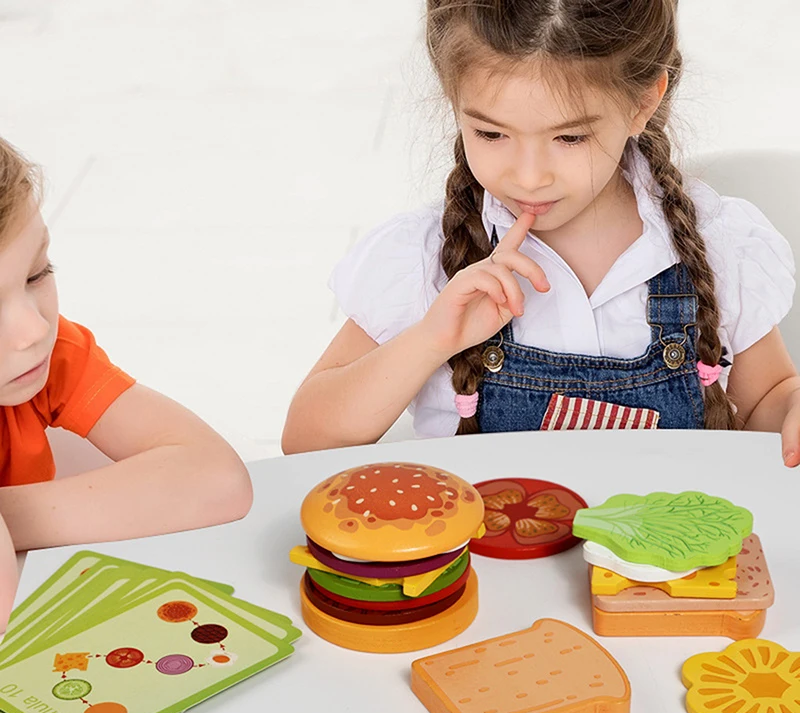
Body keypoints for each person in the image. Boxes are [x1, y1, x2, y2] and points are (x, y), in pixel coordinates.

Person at [282, 0, 796, 463]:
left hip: (666, 566)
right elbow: (307, 440)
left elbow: (766, 402)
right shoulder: (424, 256)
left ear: (644, 102)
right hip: (491, 567)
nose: (529, 176)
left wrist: (792, 408)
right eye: (491, 133)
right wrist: (431, 340)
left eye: (569, 137)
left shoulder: (720, 245)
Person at [0, 137, 253, 631]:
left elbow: (217, 479)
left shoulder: (54, 357)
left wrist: (10, 516)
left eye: (37, 274)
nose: (33, 330)